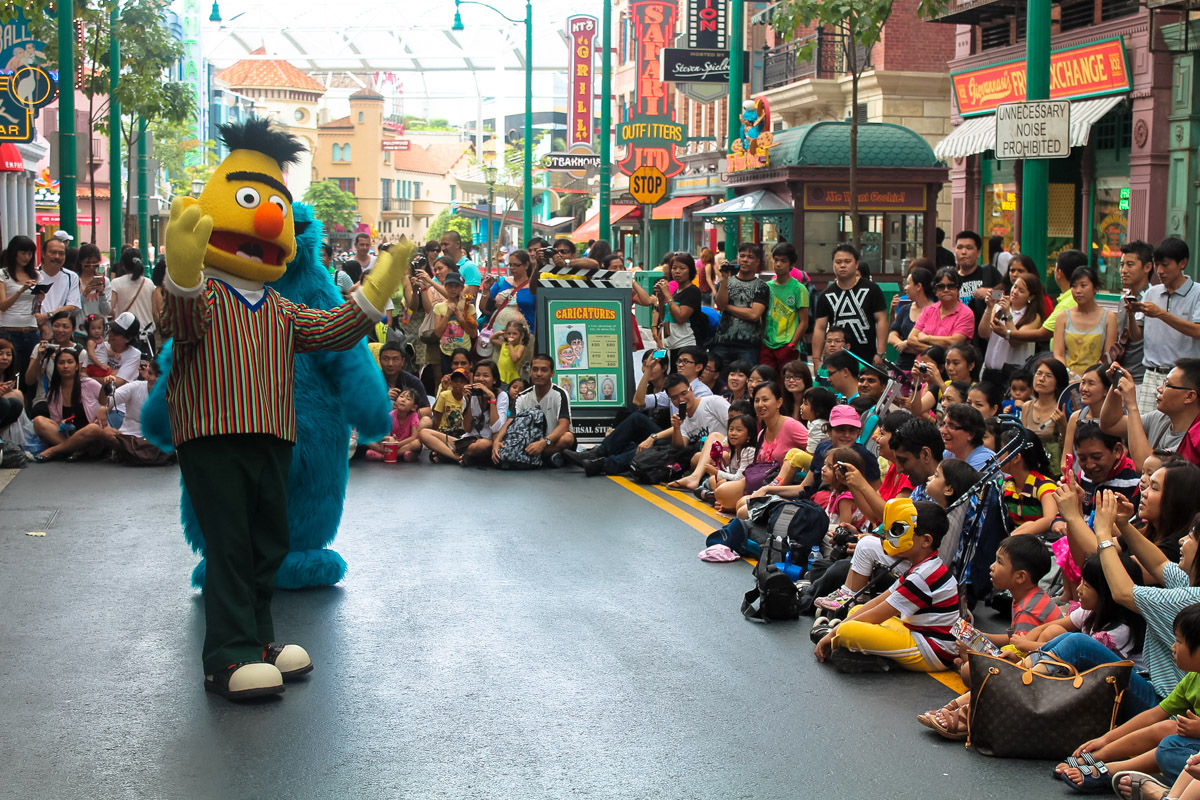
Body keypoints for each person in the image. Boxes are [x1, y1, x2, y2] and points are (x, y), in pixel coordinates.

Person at [813, 499, 958, 673]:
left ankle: (876, 657)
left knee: (847, 631)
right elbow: (878, 603)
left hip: (932, 651)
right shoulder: (923, 567)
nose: (891, 536)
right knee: (856, 611)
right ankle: (866, 653)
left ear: (926, 541)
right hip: (917, 632)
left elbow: (877, 614)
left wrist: (832, 635)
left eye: (899, 530)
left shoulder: (922, 576)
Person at [565, 374, 728, 477]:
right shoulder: (682, 416)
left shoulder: (712, 402)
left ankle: (602, 464)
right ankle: (597, 454)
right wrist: (677, 428)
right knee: (636, 418)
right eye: (675, 398)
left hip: (701, 454)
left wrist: (654, 437)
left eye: (684, 393)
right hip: (684, 451)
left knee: (657, 446)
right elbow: (680, 444)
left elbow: (737, 423)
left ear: (691, 389)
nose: (681, 400)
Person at [1133, 238, 1200, 415]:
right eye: (1157, 265)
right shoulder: (1151, 293)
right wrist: (1131, 315)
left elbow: (1198, 331)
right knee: (1145, 429)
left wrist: (1160, 314)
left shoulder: (1197, 293)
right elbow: (1135, 336)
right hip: (1152, 374)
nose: (1160, 271)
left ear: (1182, 263)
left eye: (1165, 265)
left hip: (1185, 378)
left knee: (1181, 431)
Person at [1102, 359, 1200, 468]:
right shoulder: (1161, 418)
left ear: (1190, 396)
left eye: (1167, 385)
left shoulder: (1196, 439)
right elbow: (1111, 424)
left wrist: (1132, 405)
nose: (1159, 389)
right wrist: (1116, 384)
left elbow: (1145, 467)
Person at [812, 243, 887, 372]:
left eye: (847, 261)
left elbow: (882, 321)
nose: (842, 265)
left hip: (867, 357)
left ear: (856, 264)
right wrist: (816, 360)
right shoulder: (826, 295)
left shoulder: (872, 289)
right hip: (836, 360)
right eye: (838, 262)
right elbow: (820, 328)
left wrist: (880, 353)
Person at [491, 353, 576, 467]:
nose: (539, 374)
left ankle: (533, 458)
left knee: (567, 438)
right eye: (535, 370)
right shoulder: (522, 396)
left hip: (551, 442)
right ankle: (548, 459)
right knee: (497, 439)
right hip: (529, 444)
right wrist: (497, 441)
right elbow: (510, 421)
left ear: (552, 373)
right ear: (530, 372)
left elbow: (564, 425)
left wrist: (544, 442)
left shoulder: (560, 394)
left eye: (544, 370)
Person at [420, 360, 508, 466]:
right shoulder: (470, 394)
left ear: (494, 380)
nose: (481, 379)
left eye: (485, 375)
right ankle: (457, 457)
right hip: (466, 441)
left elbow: (496, 428)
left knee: (484, 444)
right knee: (424, 433)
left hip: (485, 442)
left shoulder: (501, 396)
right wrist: (469, 400)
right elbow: (467, 429)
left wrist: (492, 399)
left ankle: (446, 454)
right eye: (477, 375)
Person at [29, 346, 104, 462]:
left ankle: (54, 451)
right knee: (38, 421)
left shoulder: (89, 384)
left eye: (70, 362)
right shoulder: (53, 393)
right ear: (56, 367)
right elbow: (56, 422)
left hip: (91, 436)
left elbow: (111, 400)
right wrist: (61, 423)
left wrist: (103, 408)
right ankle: (76, 449)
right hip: (69, 435)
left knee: (93, 428)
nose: (65, 366)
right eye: (61, 363)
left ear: (77, 366)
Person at [978, 267, 1044, 385]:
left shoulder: (1033, 317)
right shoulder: (998, 307)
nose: (1015, 292)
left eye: (1021, 291)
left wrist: (1007, 313)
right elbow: (983, 333)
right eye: (1015, 287)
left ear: (1031, 297)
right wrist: (989, 307)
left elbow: (1015, 341)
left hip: (1013, 376)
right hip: (989, 372)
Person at [1054, 265, 1117, 379]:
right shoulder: (1063, 317)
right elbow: (1058, 355)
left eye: (1083, 285)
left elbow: (1108, 355)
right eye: (1074, 286)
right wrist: (1068, 375)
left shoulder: (1109, 317)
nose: (1078, 291)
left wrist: (1091, 378)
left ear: (1095, 288)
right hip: (1067, 379)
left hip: (1097, 380)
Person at [711, 242, 769, 367]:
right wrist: (725, 278)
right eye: (742, 256)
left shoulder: (762, 286)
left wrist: (728, 307)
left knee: (745, 380)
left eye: (750, 257)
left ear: (757, 262)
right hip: (722, 343)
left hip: (748, 346)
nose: (745, 260)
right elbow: (720, 304)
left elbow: (754, 314)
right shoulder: (726, 282)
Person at [759, 242, 809, 370]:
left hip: (787, 346)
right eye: (776, 260)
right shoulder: (766, 287)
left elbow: (804, 322)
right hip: (767, 345)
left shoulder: (799, 289)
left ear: (791, 264)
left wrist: (792, 345)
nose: (778, 264)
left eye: (783, 261)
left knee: (786, 383)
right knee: (767, 383)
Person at [0, 234, 42, 382]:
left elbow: (36, 307)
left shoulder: (36, 275)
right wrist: (20, 290)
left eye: (30, 254)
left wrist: (40, 298)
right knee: (10, 374)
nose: (26, 257)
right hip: (9, 330)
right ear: (14, 252)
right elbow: (3, 306)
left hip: (31, 329)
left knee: (31, 375)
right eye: (23, 253)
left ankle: (29, 403)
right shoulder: (3, 274)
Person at [1000, 430, 1058, 536]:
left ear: (1016, 458)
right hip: (1014, 546)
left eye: (1002, 450)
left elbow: (1050, 518)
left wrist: (1014, 536)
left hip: (1041, 546)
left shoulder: (1045, 486)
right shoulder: (1005, 484)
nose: (997, 456)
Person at [951, 230, 1001, 345]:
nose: (964, 252)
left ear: (978, 253)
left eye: (969, 248)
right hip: (956, 338)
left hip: (984, 340)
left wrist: (990, 292)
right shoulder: (950, 279)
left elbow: (1005, 296)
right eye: (960, 247)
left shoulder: (989, 272)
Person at [907, 267, 975, 352]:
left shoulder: (966, 313)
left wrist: (927, 338)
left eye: (951, 286)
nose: (946, 290)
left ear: (958, 290)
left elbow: (955, 342)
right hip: (921, 363)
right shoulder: (928, 310)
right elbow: (911, 340)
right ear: (936, 291)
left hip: (948, 364)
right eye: (941, 286)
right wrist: (934, 351)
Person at [1062, 364, 1112, 475]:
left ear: (1106, 390)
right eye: (1083, 382)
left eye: (1091, 383)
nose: (1084, 389)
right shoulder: (1075, 418)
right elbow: (1066, 459)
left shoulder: (1118, 419)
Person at [1116, 240, 1154, 386]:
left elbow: (1137, 337)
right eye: (1121, 265)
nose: (1123, 270)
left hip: (1142, 379)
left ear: (1148, 267)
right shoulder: (1123, 299)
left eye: (1130, 265)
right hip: (1121, 374)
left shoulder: (1153, 299)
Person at [1022, 355, 1070, 473]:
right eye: (1038, 374)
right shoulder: (1027, 406)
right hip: (1030, 468)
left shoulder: (1062, 409)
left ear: (1058, 382)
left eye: (1048, 376)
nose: (1041, 379)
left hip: (1052, 469)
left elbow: (1069, 447)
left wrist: (1063, 424)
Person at [651, 252, 702, 360]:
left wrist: (667, 294)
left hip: (685, 345)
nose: (677, 271)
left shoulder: (692, 291)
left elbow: (680, 318)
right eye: (674, 268)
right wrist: (660, 297)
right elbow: (664, 316)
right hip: (670, 344)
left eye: (682, 268)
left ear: (690, 270)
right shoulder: (677, 291)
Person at [34, 236, 82, 340]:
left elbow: (72, 306)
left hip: (63, 333)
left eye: (61, 253)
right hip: (35, 331)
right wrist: (43, 326)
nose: (57, 256)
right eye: (53, 252)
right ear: (43, 253)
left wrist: (47, 316)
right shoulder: (33, 274)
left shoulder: (71, 277)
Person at [889, 263, 934, 371]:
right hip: (901, 367)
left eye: (908, 284)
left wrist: (908, 344)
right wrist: (901, 344)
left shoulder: (935, 311)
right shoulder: (905, 309)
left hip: (924, 368)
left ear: (918, 287)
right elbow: (892, 335)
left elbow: (934, 344)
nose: (905, 288)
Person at [1036, 249, 1088, 343]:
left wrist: (1008, 333)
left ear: (1059, 273)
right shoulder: (1079, 298)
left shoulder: (1067, 303)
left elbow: (1044, 333)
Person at [375, 341, 432, 426]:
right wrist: (382, 399)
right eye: (386, 359)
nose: (390, 364)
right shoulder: (372, 381)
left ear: (402, 361)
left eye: (395, 359)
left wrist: (405, 410)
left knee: (426, 421)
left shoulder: (413, 381)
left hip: (406, 425)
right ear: (380, 360)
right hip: (379, 423)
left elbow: (427, 411)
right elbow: (361, 407)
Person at [482, 249, 536, 336]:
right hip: (499, 335)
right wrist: (486, 290)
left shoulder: (534, 287)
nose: (512, 268)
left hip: (526, 336)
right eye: (510, 265)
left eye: (516, 265)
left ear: (526, 265)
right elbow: (486, 309)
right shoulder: (502, 282)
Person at [81, 311, 142, 388]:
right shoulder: (101, 346)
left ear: (128, 339)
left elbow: (117, 382)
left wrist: (87, 378)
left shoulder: (134, 355)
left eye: (116, 333)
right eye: (111, 329)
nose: (111, 333)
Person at [432, 272, 477, 372]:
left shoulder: (468, 307)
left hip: (464, 352)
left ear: (461, 288)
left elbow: (473, 333)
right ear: (445, 287)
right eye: (450, 286)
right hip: (446, 352)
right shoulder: (439, 307)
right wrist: (448, 314)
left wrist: (460, 319)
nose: (453, 289)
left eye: (456, 286)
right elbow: (438, 333)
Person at [110, 249, 154, 350]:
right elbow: (155, 312)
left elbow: (111, 310)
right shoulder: (149, 283)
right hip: (146, 333)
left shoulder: (116, 283)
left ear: (123, 265)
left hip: (124, 335)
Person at [365, 388, 424, 463]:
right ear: (395, 401)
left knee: (417, 443)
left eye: (408, 399)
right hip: (392, 445)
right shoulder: (390, 415)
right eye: (401, 396)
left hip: (404, 445)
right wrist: (387, 438)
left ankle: (386, 456)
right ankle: (397, 455)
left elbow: (414, 436)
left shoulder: (413, 416)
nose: (403, 400)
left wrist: (398, 444)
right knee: (369, 440)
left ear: (414, 407)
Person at [940, 402, 994, 470]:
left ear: (970, 434)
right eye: (944, 424)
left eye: (951, 426)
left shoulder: (985, 459)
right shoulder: (949, 453)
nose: (943, 431)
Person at [75, 243, 111, 327]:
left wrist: (102, 294)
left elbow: (106, 311)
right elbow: (74, 309)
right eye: (87, 263)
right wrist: (85, 293)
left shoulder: (105, 281)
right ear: (81, 262)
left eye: (95, 263)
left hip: (99, 331)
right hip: (80, 329)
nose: (91, 267)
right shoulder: (74, 280)